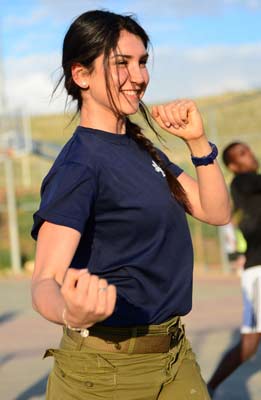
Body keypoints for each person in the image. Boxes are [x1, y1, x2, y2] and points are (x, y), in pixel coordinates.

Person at [31, 10, 230, 400]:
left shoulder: (142, 148)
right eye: (121, 63)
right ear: (81, 75)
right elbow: (43, 280)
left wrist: (198, 143)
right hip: (105, 372)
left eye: (142, 62)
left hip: (174, 356)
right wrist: (71, 312)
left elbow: (216, 212)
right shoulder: (79, 165)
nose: (138, 76)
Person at [207, 142, 261, 398]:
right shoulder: (243, 182)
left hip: (255, 272)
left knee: (249, 344)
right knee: (249, 344)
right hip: (258, 273)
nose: (249, 156)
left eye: (248, 150)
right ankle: (208, 387)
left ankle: (209, 387)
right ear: (232, 166)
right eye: (242, 154)